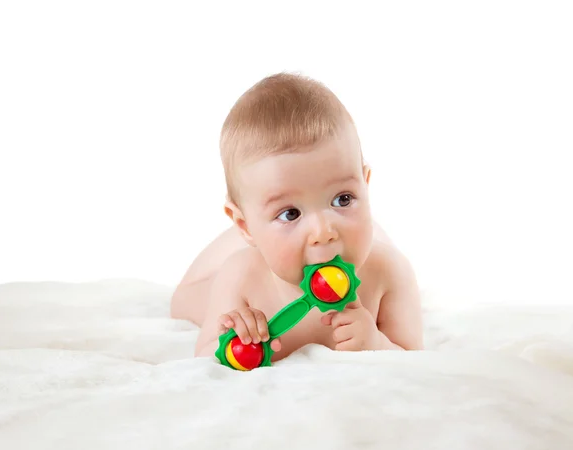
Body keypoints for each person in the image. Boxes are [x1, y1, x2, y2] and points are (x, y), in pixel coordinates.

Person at [171, 72, 423, 360]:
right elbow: (206, 356)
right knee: (183, 302)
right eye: (290, 213)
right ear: (245, 225)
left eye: (344, 198)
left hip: (356, 237)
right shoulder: (241, 277)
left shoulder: (389, 272)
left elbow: (414, 357)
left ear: (365, 185)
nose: (323, 231)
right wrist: (235, 339)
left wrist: (377, 343)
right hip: (246, 252)